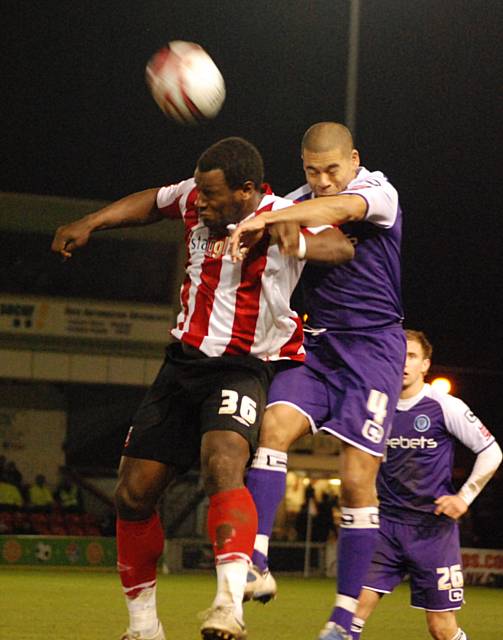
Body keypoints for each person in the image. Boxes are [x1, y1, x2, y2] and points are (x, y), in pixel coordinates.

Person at [51, 136, 354, 640]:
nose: (201, 201)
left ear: (247, 191)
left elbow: (340, 245)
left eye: (213, 196)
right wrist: (91, 222)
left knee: (223, 461)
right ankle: (144, 627)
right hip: (182, 366)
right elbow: (152, 201)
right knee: (131, 494)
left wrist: (290, 238)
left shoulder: (287, 212)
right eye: (200, 194)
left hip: (243, 367)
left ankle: (227, 606)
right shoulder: (197, 197)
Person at [231, 122, 406, 640]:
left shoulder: (377, 191)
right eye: (313, 171)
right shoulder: (297, 199)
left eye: (332, 169)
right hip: (319, 345)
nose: (324, 180)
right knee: (273, 428)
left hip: (374, 349)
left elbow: (340, 213)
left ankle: (345, 618)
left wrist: (279, 218)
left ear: (354, 159)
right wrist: (267, 225)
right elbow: (291, 225)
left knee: (356, 480)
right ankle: (256, 562)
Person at [351, 330, 502, 640]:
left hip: (432, 531)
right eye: (398, 355)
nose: (404, 363)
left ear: (425, 365)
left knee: (441, 629)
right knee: (350, 612)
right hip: (386, 528)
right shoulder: (376, 407)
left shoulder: (444, 406)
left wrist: (464, 497)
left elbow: (492, 451)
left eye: (412, 356)